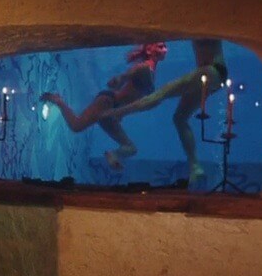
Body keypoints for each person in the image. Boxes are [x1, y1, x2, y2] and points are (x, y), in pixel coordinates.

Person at [40, 42, 168, 170]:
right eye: (161, 47)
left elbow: (130, 93)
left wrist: (120, 112)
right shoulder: (144, 67)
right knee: (76, 126)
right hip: (107, 102)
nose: (165, 50)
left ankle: (113, 155)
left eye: (165, 47)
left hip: (113, 111)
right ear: (149, 50)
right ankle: (58, 100)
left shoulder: (151, 71)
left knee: (131, 148)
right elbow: (125, 78)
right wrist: (118, 80)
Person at [97, 59, 228, 183]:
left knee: (158, 98)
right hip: (216, 78)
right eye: (160, 47)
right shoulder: (147, 66)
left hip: (212, 71)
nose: (164, 49)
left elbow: (151, 97)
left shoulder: (148, 65)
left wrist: (117, 111)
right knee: (180, 118)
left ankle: (112, 113)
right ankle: (195, 167)